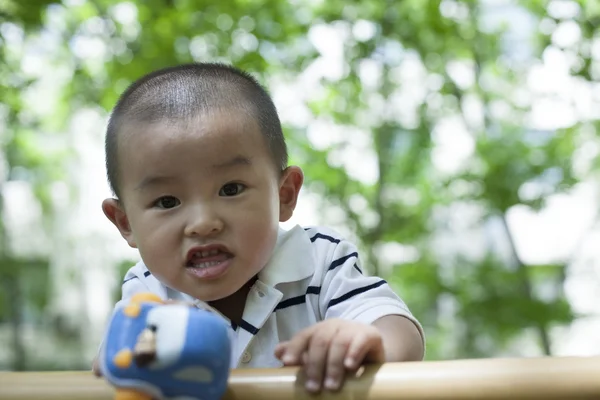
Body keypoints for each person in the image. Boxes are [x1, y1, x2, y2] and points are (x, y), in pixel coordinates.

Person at [94, 63, 425, 393]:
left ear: (284, 195)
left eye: (231, 189)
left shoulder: (320, 260)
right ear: (126, 223)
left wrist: (365, 341)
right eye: (167, 202)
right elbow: (116, 365)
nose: (203, 223)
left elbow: (397, 331)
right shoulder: (147, 292)